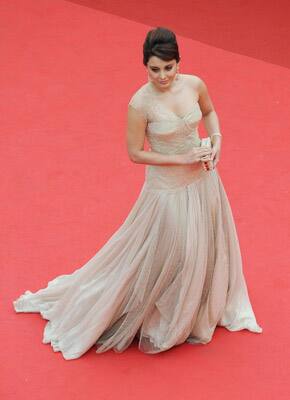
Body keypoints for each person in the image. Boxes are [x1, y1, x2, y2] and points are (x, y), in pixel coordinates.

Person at [12, 26, 262, 360]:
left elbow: (209, 113)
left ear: (178, 63)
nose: (162, 76)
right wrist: (181, 158)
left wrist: (216, 143)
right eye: (154, 69)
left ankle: (194, 309)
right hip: (167, 189)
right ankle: (161, 313)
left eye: (168, 68)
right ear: (145, 66)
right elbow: (135, 153)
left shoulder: (194, 84)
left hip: (204, 180)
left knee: (205, 246)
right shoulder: (139, 103)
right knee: (181, 251)